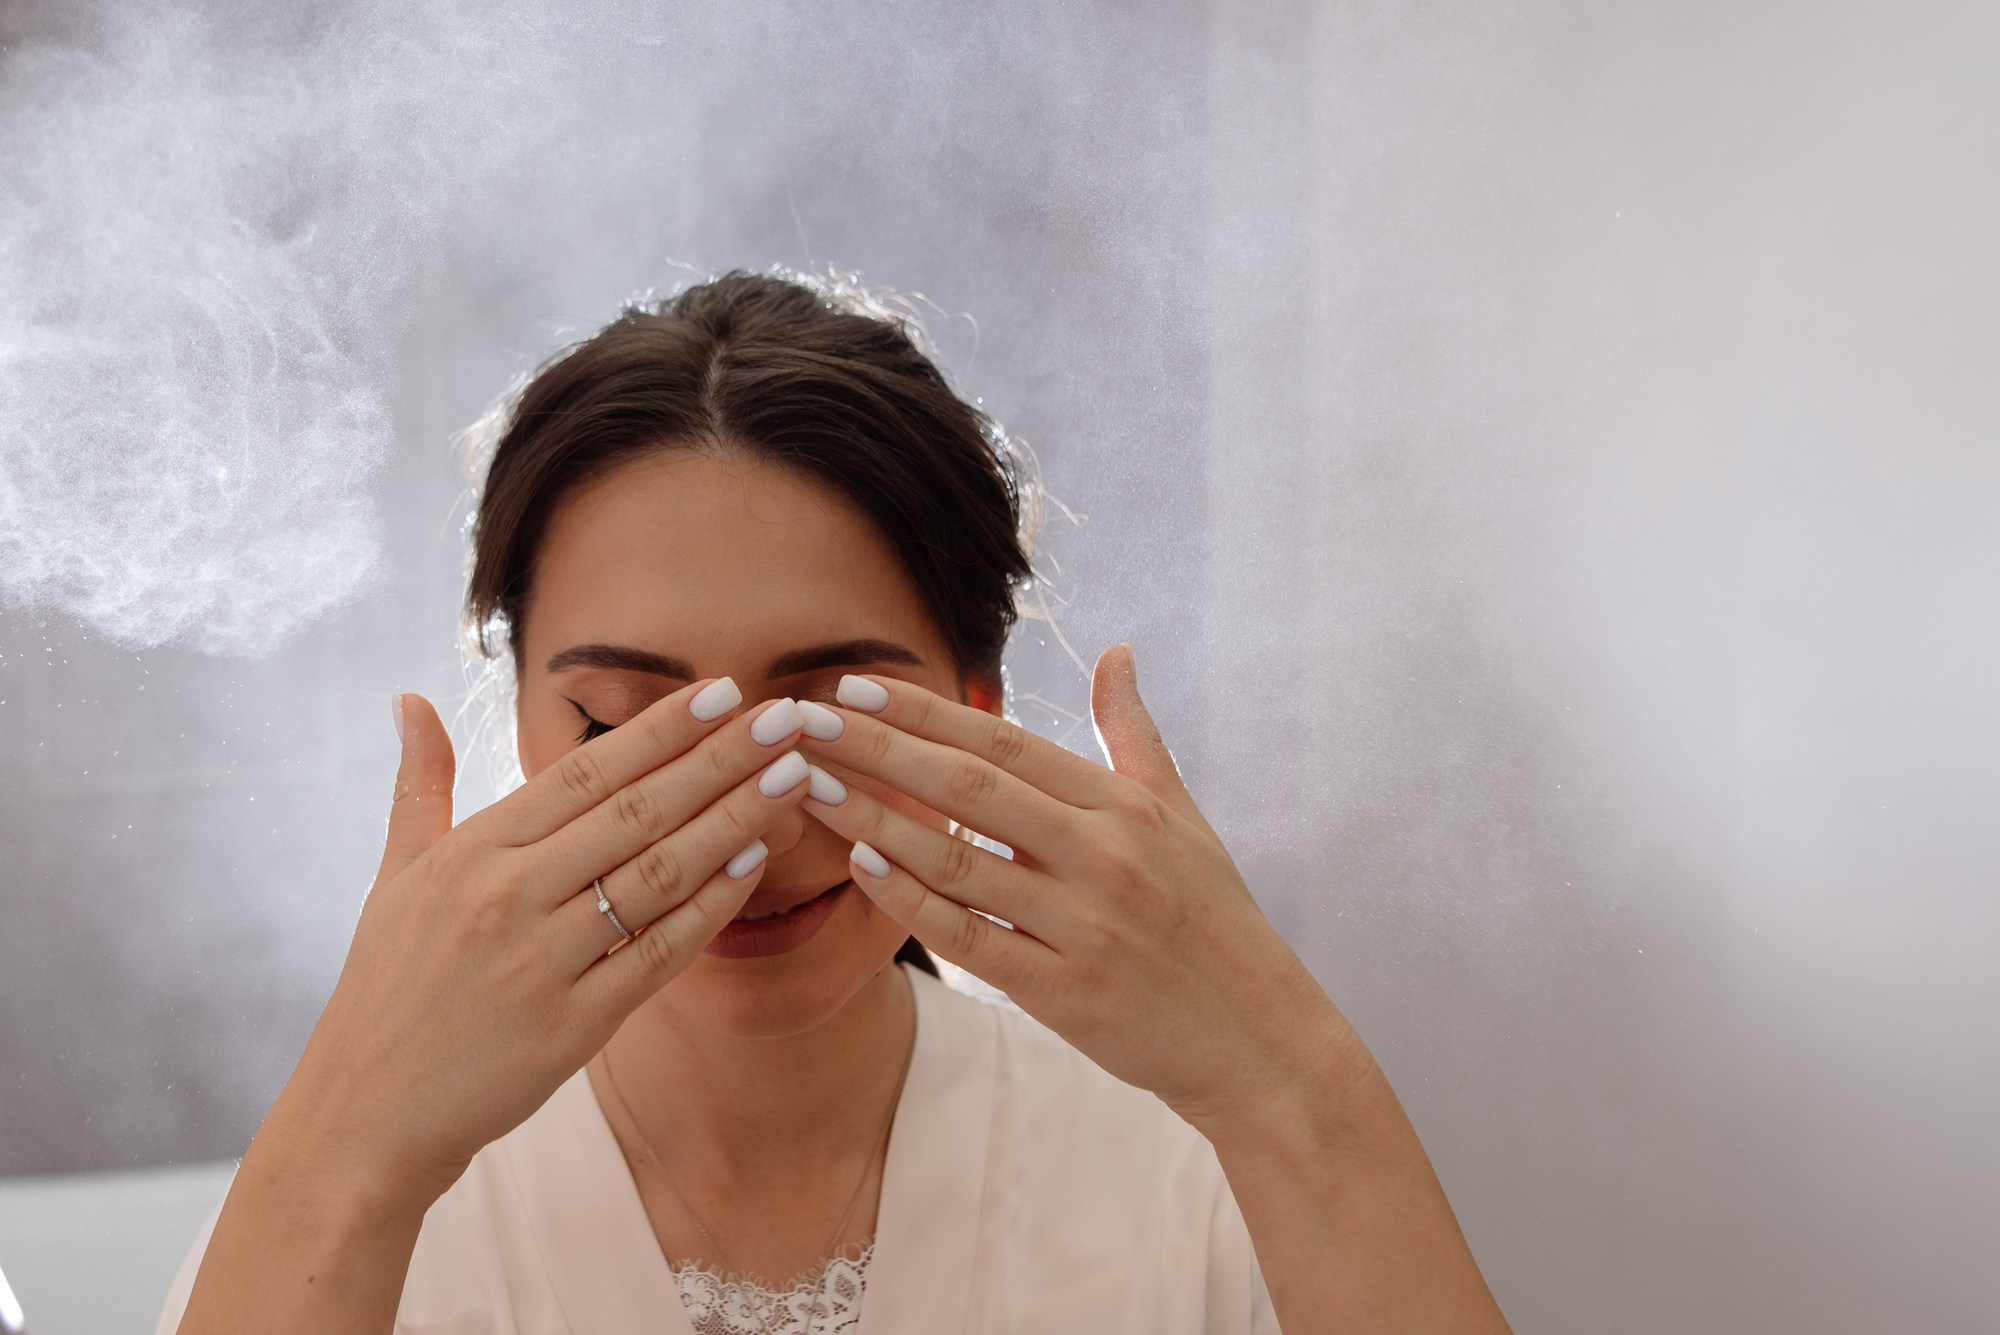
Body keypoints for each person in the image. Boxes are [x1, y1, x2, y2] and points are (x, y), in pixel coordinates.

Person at [156, 269, 1510, 1334]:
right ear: (517, 722)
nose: (746, 825)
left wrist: (1295, 1080)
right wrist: (342, 1148)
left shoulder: (1187, 1185)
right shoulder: (356, 1207)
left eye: (834, 716)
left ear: (977, 714)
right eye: (630, 726)